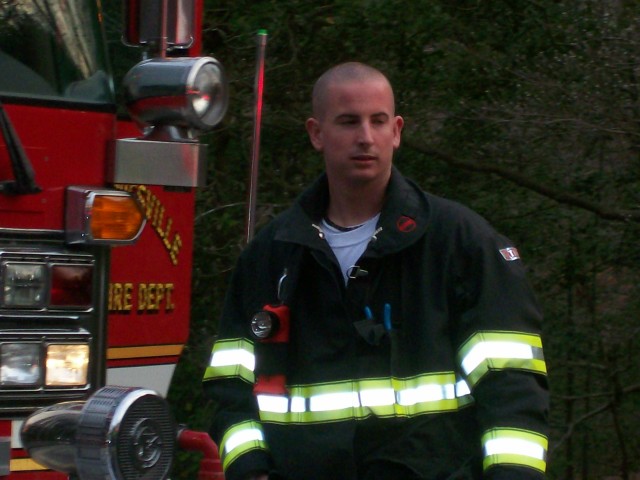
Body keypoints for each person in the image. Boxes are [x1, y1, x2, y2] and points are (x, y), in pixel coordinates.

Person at [203, 62, 549, 480]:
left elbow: (510, 384)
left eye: (378, 121)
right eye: (348, 122)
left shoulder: (460, 243)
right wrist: (251, 468)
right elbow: (230, 383)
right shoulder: (271, 255)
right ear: (316, 133)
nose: (365, 137)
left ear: (397, 131)